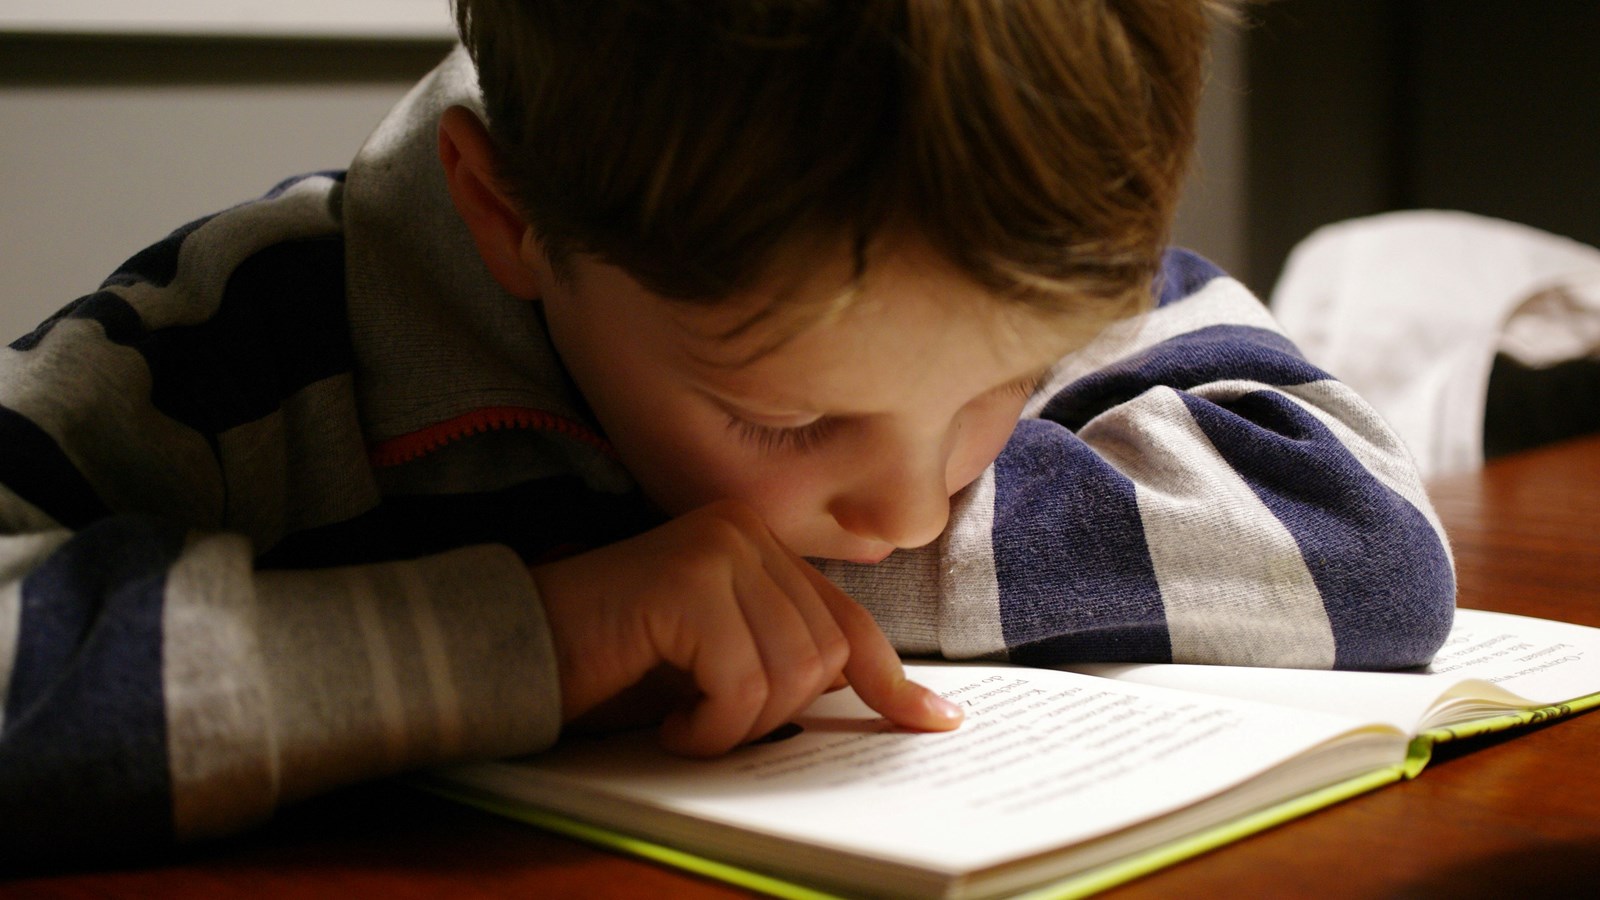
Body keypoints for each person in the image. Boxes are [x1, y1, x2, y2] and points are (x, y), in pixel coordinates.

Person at [0, 0, 1454, 863]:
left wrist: (783, 588)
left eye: (1002, 390)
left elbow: (1364, 539)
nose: (913, 511)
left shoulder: (995, 237)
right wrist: (541, 635)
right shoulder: (225, 353)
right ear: (512, 217)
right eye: (787, 416)